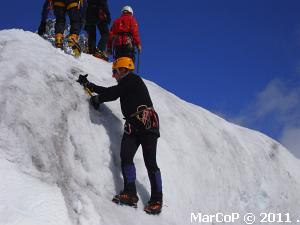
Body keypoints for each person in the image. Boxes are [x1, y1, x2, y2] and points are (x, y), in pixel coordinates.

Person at [77, 57, 163, 215]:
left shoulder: (133, 79)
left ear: (124, 70)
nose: (113, 75)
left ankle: (157, 200)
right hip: (134, 125)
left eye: (115, 71)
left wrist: (97, 98)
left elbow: (113, 94)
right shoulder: (126, 83)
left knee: (150, 162)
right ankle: (130, 193)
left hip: (147, 124)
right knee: (126, 156)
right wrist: (91, 86)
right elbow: (112, 91)